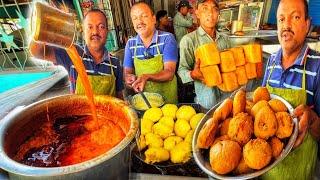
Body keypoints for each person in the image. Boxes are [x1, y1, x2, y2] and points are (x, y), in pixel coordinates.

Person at [261, 0, 320, 179]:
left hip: (298, 171)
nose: (286, 25)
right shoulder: (271, 61)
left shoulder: (318, 66)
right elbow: (262, 107)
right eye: (281, 19)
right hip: (265, 169)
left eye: (295, 17)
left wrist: (311, 119)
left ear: (307, 24)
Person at [29, 9, 124, 99]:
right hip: (79, 115)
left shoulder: (115, 63)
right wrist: (45, 26)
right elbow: (37, 52)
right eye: (90, 27)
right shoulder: (72, 54)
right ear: (83, 33)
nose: (95, 32)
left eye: (101, 27)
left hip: (107, 115)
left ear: (107, 32)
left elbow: (119, 96)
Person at [178, 0, 230, 109]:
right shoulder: (188, 40)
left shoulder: (225, 39)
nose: (210, 13)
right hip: (206, 102)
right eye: (205, 8)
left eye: (214, 9)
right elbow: (182, 71)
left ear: (218, 14)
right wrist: (193, 74)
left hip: (228, 100)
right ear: (197, 13)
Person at [123, 2, 178, 104]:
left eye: (144, 16)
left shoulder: (167, 39)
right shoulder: (130, 44)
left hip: (167, 103)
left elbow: (169, 72)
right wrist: (130, 79)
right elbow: (127, 73)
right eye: (135, 18)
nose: (139, 21)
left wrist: (146, 77)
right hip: (143, 102)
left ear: (153, 19)